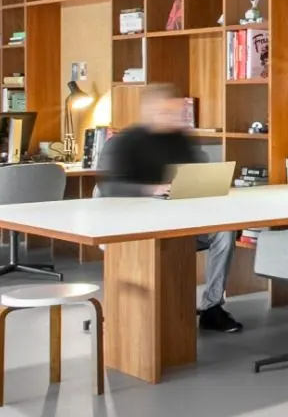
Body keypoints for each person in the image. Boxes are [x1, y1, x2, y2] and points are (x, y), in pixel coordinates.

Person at [97, 85, 242, 333]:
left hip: (178, 219)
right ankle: (141, 311)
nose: (174, 118)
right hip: (133, 225)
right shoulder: (123, 142)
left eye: (177, 113)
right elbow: (108, 186)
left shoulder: (180, 140)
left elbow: (195, 174)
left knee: (224, 231)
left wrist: (205, 183)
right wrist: (152, 189)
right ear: (148, 111)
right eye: (166, 112)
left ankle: (212, 307)